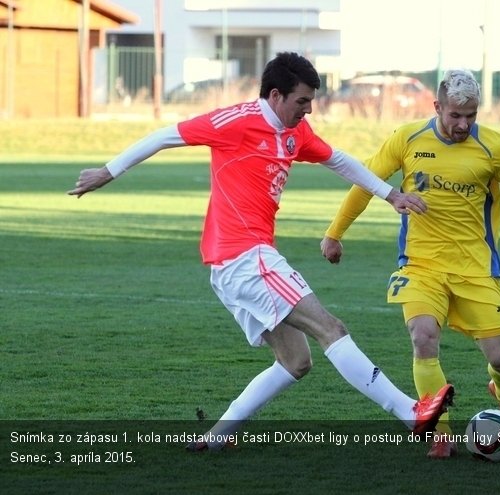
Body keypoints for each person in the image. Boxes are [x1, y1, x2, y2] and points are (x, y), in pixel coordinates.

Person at [66, 52, 454, 451]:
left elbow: (338, 160)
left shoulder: (296, 133)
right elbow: (166, 135)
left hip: (234, 265)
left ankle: (218, 437)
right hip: (245, 257)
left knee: (295, 362)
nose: (308, 110)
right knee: (330, 328)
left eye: (311, 101)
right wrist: (107, 171)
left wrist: (391, 195)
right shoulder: (234, 122)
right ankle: (411, 414)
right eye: (302, 101)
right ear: (275, 95)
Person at [320, 69, 500, 459]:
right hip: (421, 265)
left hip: (477, 269)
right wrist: (334, 233)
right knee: (423, 337)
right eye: (455, 116)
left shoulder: (494, 148)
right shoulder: (407, 138)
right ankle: (439, 432)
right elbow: (365, 182)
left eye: (471, 116)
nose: (463, 124)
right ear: (437, 107)